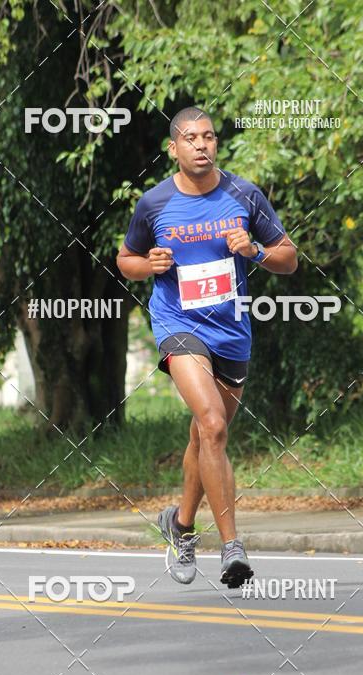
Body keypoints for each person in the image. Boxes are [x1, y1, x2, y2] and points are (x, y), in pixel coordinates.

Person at [116, 106, 298, 588]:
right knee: (213, 423)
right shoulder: (154, 204)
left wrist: (255, 251)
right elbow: (125, 259)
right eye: (191, 138)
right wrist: (148, 265)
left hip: (232, 329)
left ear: (217, 144)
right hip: (178, 323)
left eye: (209, 137)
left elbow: (289, 258)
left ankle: (180, 525)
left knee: (204, 437)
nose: (201, 145)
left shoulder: (244, 195)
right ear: (173, 148)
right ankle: (232, 546)